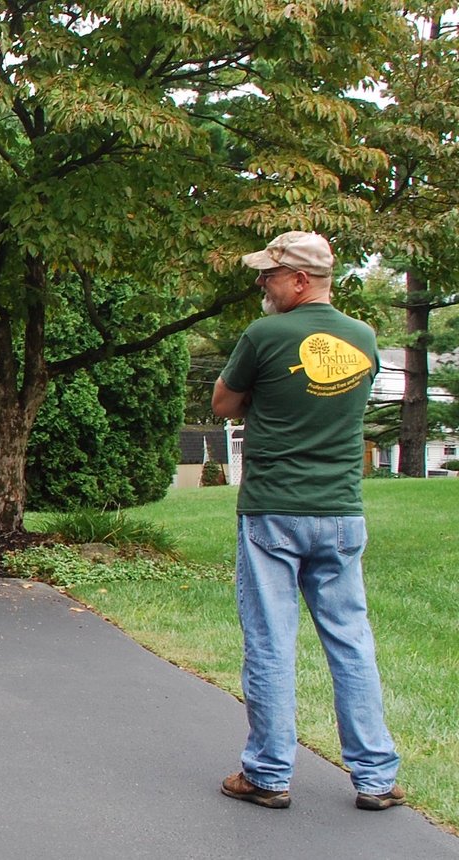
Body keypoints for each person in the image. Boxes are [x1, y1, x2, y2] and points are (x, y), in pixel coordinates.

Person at [212, 231, 402, 811]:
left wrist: (262, 398)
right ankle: (375, 779)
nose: (261, 286)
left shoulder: (265, 335)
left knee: (271, 641)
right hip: (341, 512)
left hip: (274, 510)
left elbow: (222, 403)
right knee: (351, 642)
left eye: (269, 276)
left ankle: (268, 775)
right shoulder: (363, 337)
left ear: (299, 280)